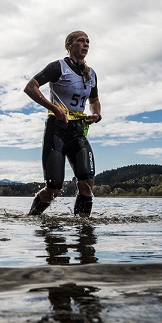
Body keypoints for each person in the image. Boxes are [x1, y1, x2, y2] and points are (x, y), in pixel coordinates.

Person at [24, 31, 102, 217]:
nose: (85, 45)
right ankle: (32, 218)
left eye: (88, 42)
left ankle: (82, 228)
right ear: (68, 45)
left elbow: (94, 100)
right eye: (81, 41)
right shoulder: (58, 67)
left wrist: (96, 114)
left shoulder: (91, 74)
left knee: (87, 183)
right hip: (57, 128)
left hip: (77, 130)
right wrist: (54, 107)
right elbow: (30, 87)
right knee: (54, 189)